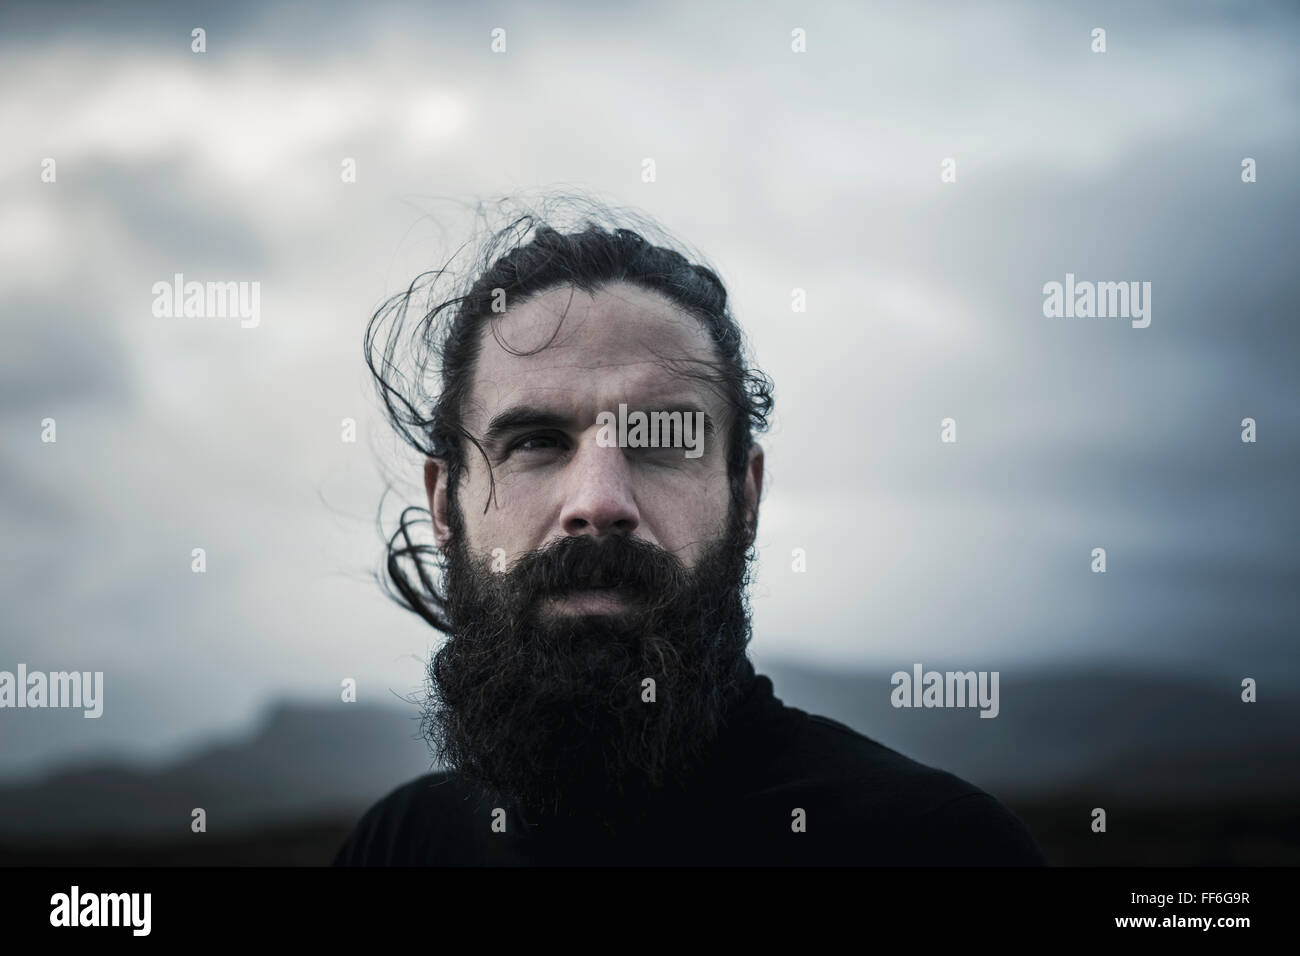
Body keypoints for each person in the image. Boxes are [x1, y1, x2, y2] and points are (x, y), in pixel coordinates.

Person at [333, 195, 1046, 866]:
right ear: (442, 502)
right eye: (536, 442)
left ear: (746, 497)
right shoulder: (403, 845)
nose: (600, 502)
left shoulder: (935, 847)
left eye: (661, 441)